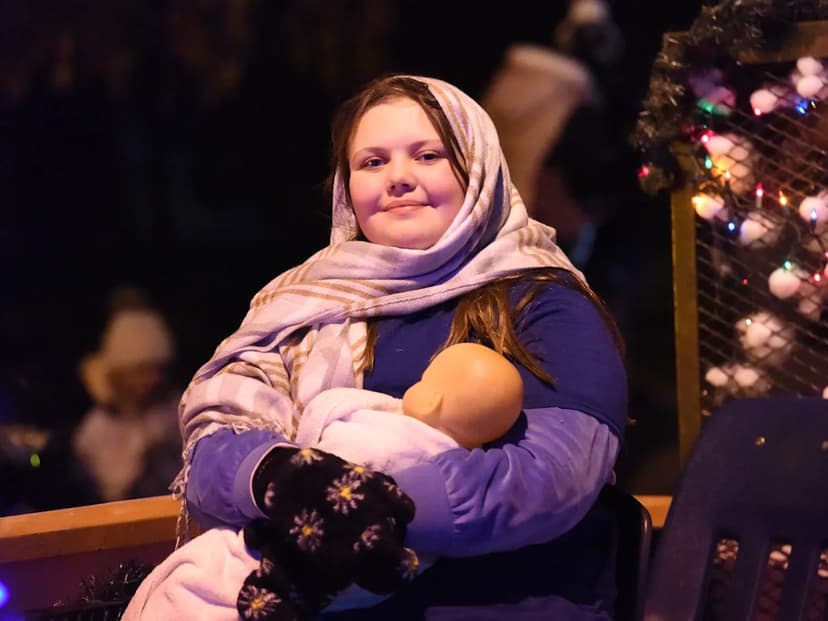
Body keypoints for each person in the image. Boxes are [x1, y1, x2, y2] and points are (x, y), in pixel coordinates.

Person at [141, 74, 626, 620]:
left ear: (479, 169)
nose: (398, 178)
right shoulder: (297, 304)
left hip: (496, 600)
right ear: (346, 188)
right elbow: (212, 446)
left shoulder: (544, 300)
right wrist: (277, 477)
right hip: (311, 597)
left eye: (427, 155)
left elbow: (554, 474)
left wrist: (374, 506)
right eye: (372, 163)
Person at [122, 342, 525, 619]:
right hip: (346, 574)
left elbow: (324, 420)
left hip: (282, 536)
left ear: (429, 397)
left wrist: (287, 460)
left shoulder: (381, 428)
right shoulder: (459, 459)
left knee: (194, 583)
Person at [73, 293, 183, 502]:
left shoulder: (179, 411)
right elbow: (112, 492)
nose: (152, 380)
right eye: (141, 370)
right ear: (121, 374)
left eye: (158, 370)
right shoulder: (96, 427)